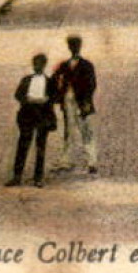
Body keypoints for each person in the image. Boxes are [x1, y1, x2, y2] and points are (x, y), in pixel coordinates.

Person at [7, 53, 58, 187]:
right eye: (35, 64)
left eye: (40, 65)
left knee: (40, 147)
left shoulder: (50, 82)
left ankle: (38, 177)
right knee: (22, 145)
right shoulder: (26, 79)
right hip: (27, 115)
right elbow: (18, 94)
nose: (37, 67)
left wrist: (46, 100)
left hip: (42, 116)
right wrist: (26, 100)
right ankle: (17, 176)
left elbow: (55, 97)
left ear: (44, 65)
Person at [51, 35, 99, 174]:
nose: (74, 48)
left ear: (80, 46)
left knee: (85, 131)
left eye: (76, 45)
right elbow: (54, 79)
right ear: (69, 47)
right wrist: (58, 96)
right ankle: (66, 159)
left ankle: (92, 160)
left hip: (81, 102)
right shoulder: (64, 65)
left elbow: (91, 85)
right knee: (68, 130)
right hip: (67, 101)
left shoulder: (87, 65)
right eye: (72, 45)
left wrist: (87, 102)